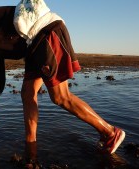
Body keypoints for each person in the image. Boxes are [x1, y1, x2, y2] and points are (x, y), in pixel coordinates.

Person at [13, 0, 125, 163]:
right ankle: (31, 149)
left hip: (45, 33)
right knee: (27, 93)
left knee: (60, 97)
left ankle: (110, 132)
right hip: (32, 43)